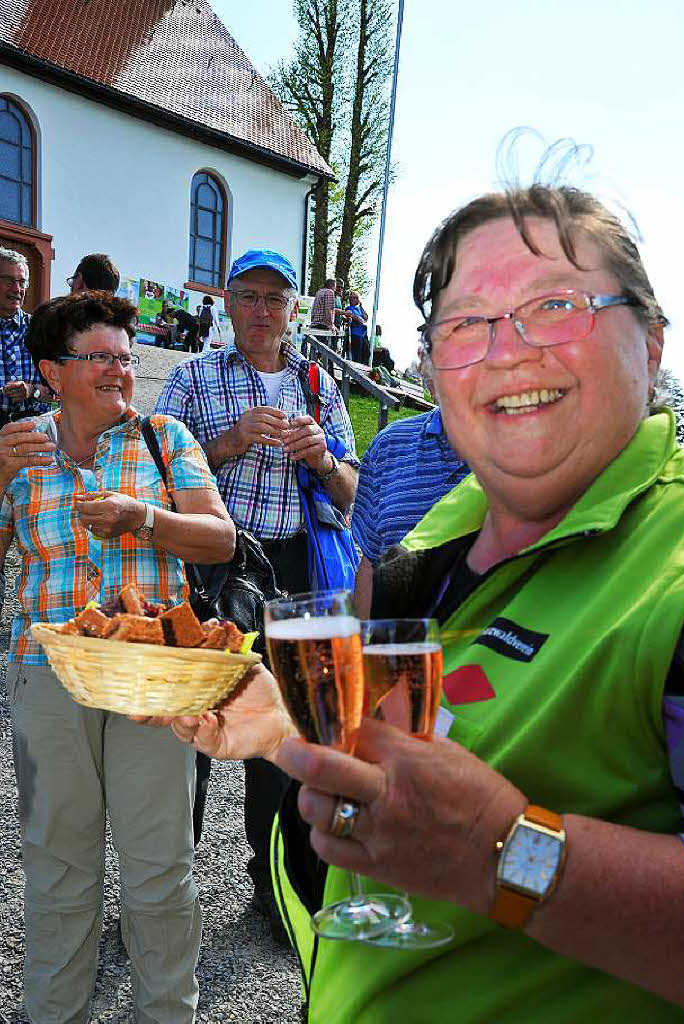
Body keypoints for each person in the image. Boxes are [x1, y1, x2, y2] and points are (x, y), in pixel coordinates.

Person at [168, 183, 684, 1024]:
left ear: (653, 341)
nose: (505, 350)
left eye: (555, 305)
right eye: (464, 323)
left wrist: (506, 856)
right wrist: (281, 727)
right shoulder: (445, 527)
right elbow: (412, 750)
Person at [0, 290, 235, 1022]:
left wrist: (145, 518)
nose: (119, 371)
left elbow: (220, 538)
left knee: (161, 873)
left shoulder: (166, 436)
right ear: (51, 370)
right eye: (99, 357)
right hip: (46, 678)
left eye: (126, 358)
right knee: (57, 871)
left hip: (152, 681)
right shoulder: (17, 448)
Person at [155, 248, 359, 939]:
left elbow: (355, 494)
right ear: (228, 303)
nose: (262, 311)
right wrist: (227, 442)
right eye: (248, 297)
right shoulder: (192, 376)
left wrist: (323, 459)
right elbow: (151, 479)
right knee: (188, 736)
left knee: (281, 740)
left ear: (294, 309)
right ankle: (164, 896)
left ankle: (273, 888)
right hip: (211, 572)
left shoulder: (316, 385)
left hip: (294, 577)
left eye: (275, 299)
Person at [352, 405, 469, 616]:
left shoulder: (524, 451)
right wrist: (365, 643)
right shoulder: (388, 445)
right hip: (398, 643)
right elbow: (371, 562)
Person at [0, 247, 53, 430]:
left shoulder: (40, 329)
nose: (17, 289)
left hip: (34, 428)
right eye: (8, 280)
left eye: (22, 282)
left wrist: (32, 390)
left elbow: (61, 392)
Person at [344, 290, 369, 363]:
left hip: (363, 334)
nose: (357, 299)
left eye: (358, 298)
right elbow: (355, 317)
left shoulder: (359, 309)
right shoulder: (349, 308)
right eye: (355, 298)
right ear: (351, 299)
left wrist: (361, 307)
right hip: (355, 334)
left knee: (366, 353)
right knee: (357, 355)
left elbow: (366, 317)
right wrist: (359, 319)